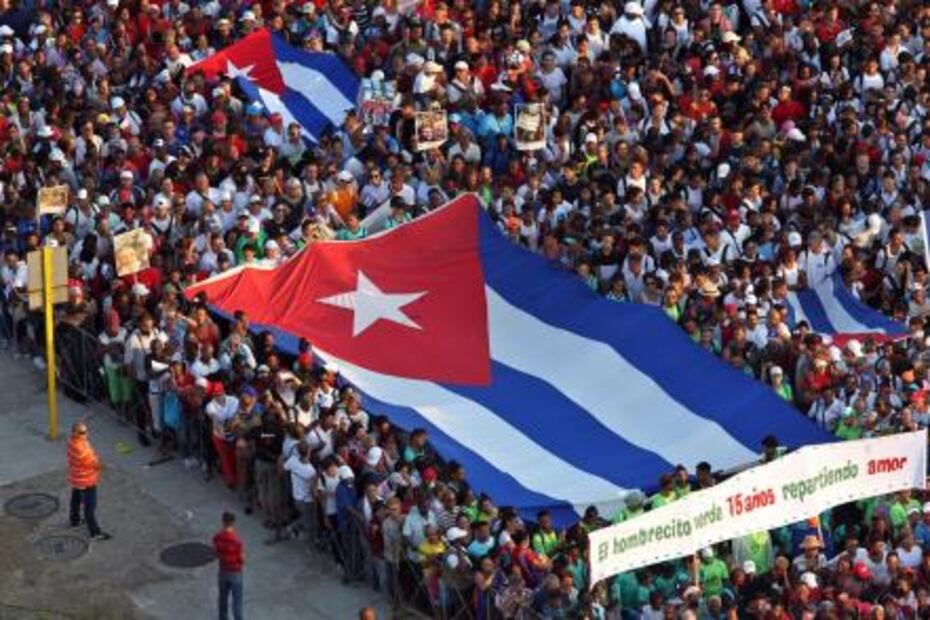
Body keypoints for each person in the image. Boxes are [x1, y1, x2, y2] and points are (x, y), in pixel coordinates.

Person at [67, 422, 110, 541]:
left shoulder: (71, 442)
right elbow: (94, 464)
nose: (85, 435)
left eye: (86, 432)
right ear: (75, 433)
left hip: (76, 478)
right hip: (87, 481)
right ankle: (95, 532)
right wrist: (100, 464)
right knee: (90, 507)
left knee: (75, 500)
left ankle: (74, 520)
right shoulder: (82, 449)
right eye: (82, 432)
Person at [213, 511, 245, 620]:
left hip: (223, 571)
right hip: (235, 572)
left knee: (222, 599)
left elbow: (216, 553)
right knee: (237, 603)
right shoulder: (237, 541)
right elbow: (241, 559)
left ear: (223, 522)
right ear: (233, 522)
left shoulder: (217, 538)